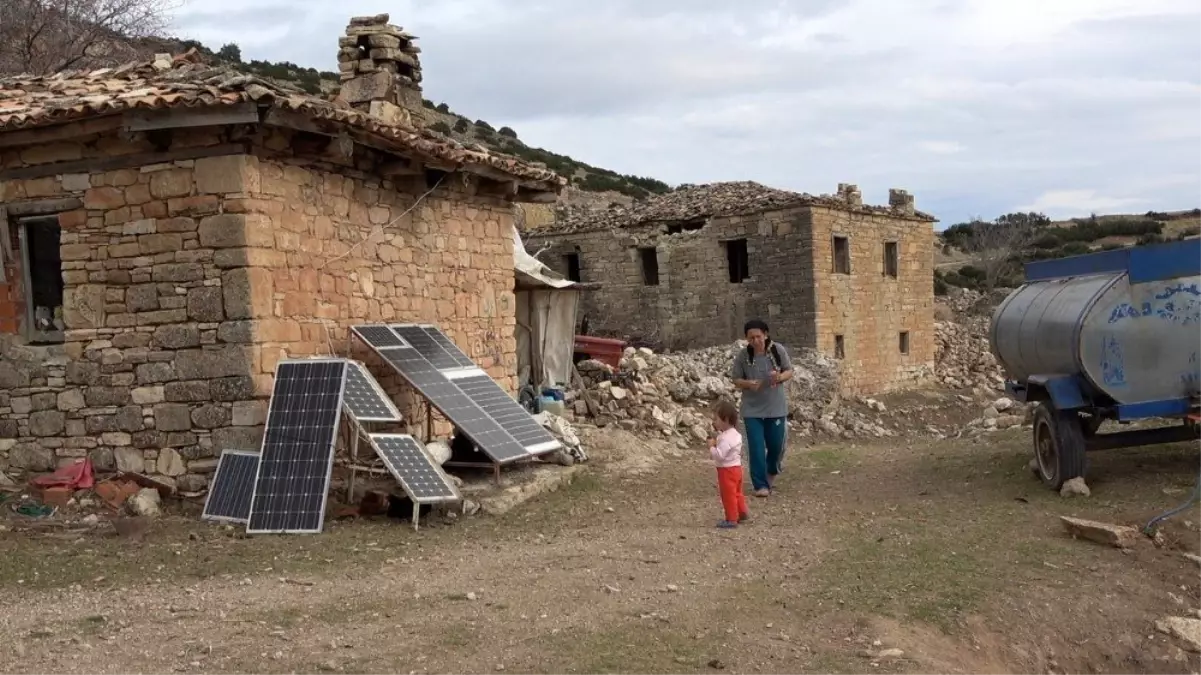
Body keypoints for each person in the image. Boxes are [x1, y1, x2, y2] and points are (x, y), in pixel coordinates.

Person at [730, 319, 793, 497]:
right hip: (752, 410)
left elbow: (789, 370)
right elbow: (736, 379)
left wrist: (779, 377)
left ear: (765, 335)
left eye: (758, 337)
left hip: (776, 408)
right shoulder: (743, 356)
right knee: (756, 448)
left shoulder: (777, 351)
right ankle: (760, 485)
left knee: (776, 446)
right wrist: (749, 384)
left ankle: (772, 470)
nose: (755, 341)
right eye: (751, 338)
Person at [708, 399, 749, 529]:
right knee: (737, 492)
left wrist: (711, 448)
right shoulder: (736, 435)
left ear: (725, 419)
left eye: (716, 419)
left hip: (726, 471)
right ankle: (742, 511)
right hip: (737, 468)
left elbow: (720, 456)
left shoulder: (725, 438)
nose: (714, 422)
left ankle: (731, 518)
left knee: (728, 495)